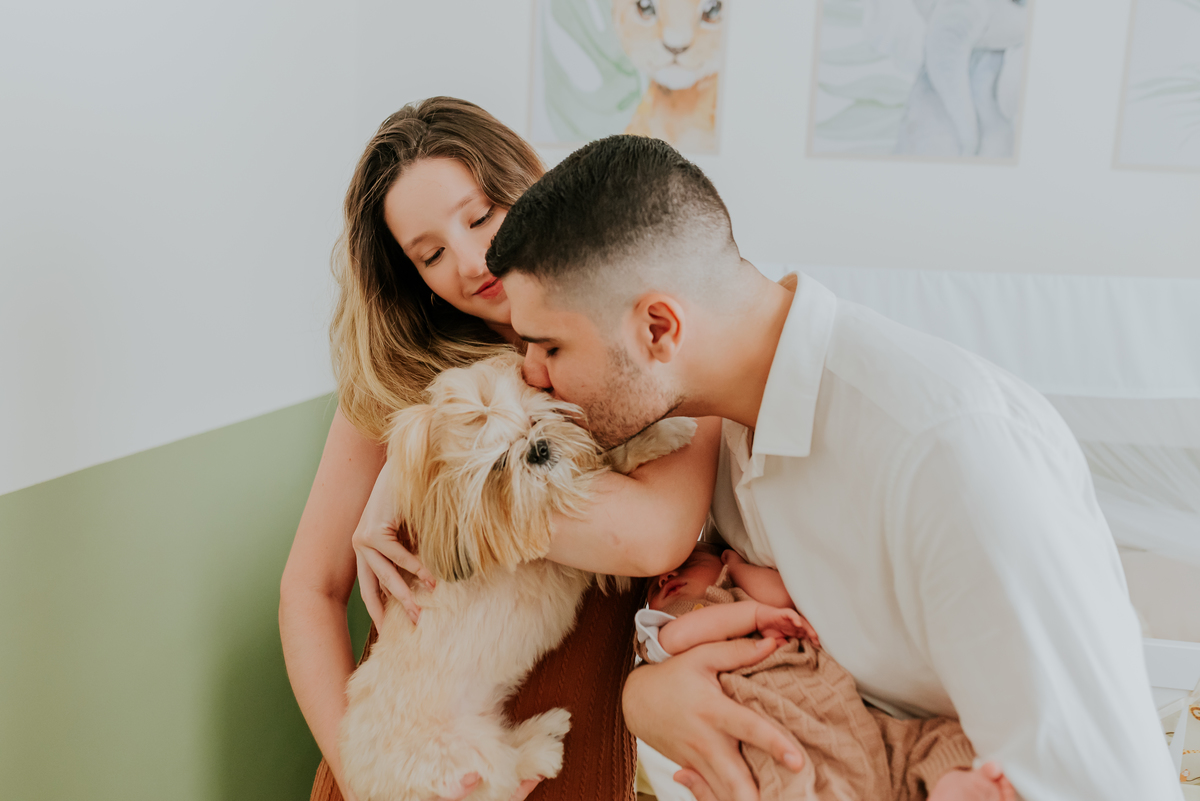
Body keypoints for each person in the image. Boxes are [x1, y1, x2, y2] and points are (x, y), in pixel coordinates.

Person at [483, 134, 1182, 801]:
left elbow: (1103, 783)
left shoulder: (949, 456)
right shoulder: (704, 436)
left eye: (548, 346)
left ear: (658, 328)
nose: (531, 374)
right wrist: (646, 697)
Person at [278, 99, 721, 801]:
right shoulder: (401, 377)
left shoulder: (647, 345)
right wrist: (370, 782)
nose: (470, 259)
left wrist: (426, 475)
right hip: (406, 763)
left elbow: (651, 538)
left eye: (480, 215)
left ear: (529, 184)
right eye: (429, 253)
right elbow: (309, 590)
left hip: (570, 751)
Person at [637, 543, 1016, 801]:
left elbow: (781, 596)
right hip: (782, 731)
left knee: (927, 742)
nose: (668, 576)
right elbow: (682, 635)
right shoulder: (664, 632)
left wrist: (735, 567)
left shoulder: (739, 588)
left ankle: (953, 783)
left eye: (687, 562)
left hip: (839, 711)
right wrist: (751, 615)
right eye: (657, 584)